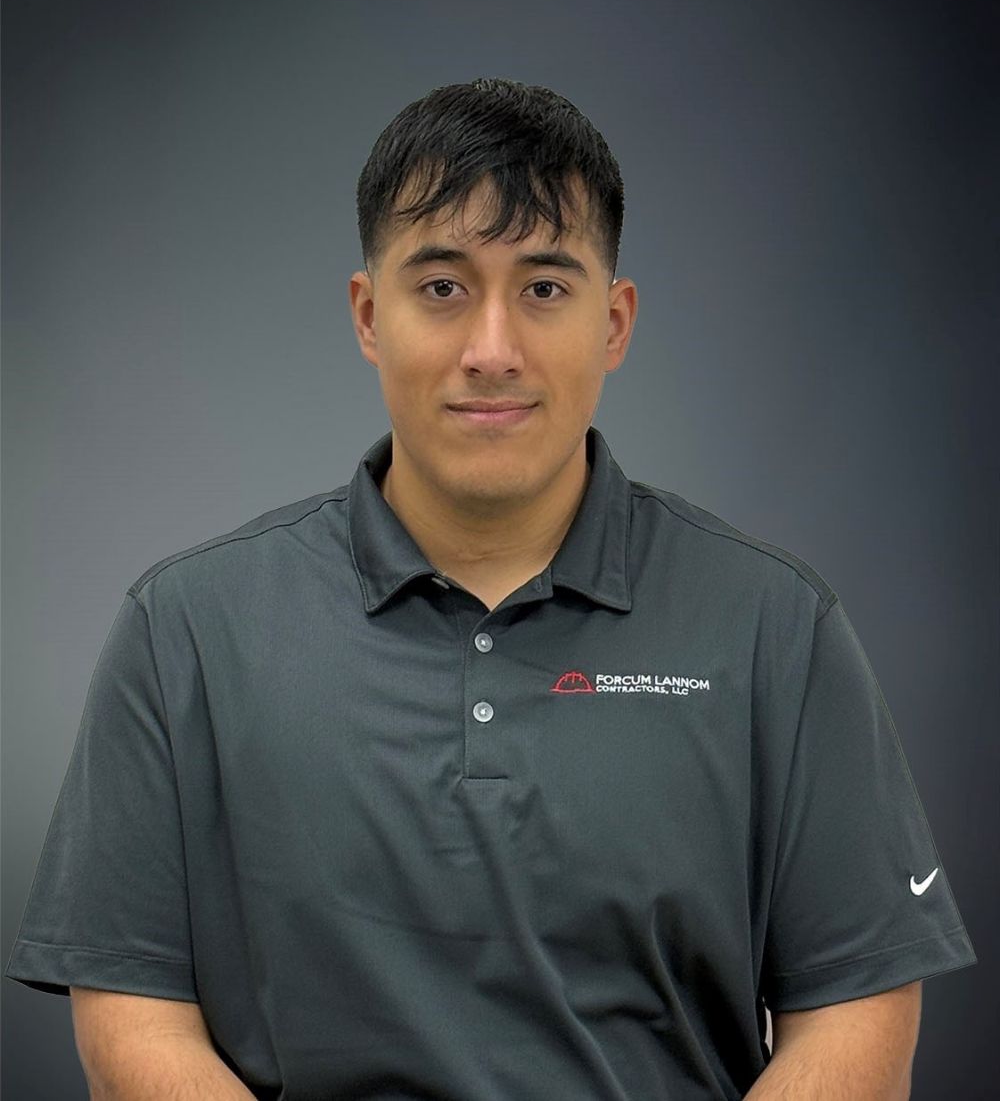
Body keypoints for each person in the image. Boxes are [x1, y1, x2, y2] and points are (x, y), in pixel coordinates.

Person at [7, 78, 976, 1100]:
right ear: (368, 315)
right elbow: (132, 1014)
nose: (492, 351)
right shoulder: (186, 631)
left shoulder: (776, 627)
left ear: (614, 323)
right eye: (442, 286)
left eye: (544, 288)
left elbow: (858, 1010)